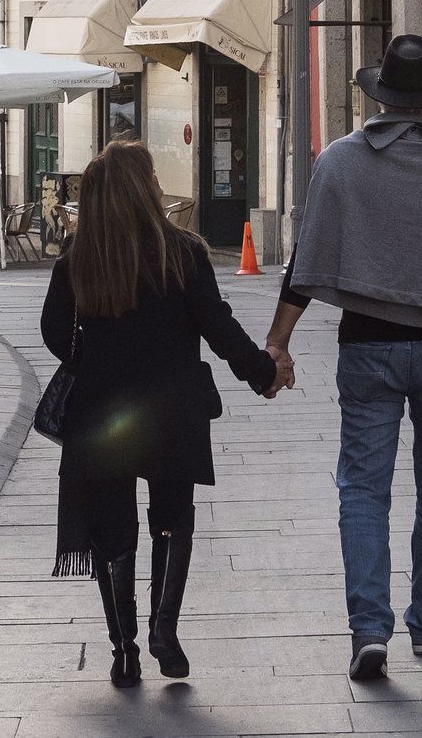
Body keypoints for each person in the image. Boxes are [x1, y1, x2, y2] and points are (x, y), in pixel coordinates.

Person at [263, 34, 422, 682]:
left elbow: (304, 261)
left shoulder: (343, 161)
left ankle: (370, 628)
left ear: (379, 92)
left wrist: (278, 341)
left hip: (370, 344)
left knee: (363, 486)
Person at [41, 141, 278, 690]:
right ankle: (164, 631)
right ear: (145, 189)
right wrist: (262, 372)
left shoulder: (78, 260)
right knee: (171, 517)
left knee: (112, 529)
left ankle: (123, 650)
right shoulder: (184, 253)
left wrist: (93, 359)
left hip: (101, 412)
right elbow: (218, 326)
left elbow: (54, 334)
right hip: (173, 409)